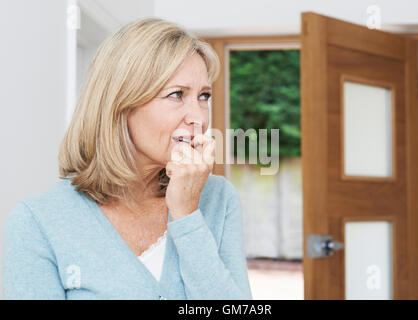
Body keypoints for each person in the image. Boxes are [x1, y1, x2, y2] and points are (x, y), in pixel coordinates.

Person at [2, 17, 252, 300]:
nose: (198, 117)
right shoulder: (38, 222)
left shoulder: (219, 200)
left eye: (204, 96)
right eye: (176, 94)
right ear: (121, 104)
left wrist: (187, 215)